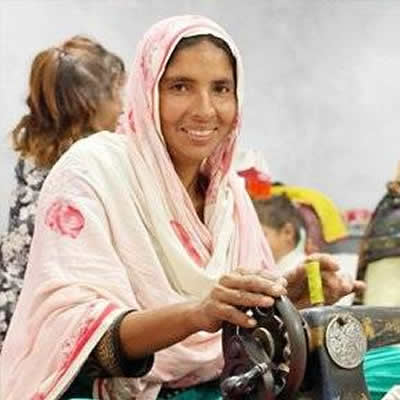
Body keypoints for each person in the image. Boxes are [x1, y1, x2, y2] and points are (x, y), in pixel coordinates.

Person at [0, 15, 363, 400]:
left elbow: (245, 336)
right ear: (146, 93)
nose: (205, 109)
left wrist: (285, 296)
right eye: (180, 87)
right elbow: (84, 341)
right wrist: (197, 314)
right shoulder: (92, 172)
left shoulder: (229, 197)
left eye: (221, 89)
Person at [0, 35, 126, 348]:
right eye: (117, 93)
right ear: (90, 106)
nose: (123, 106)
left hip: (12, 309)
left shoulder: (35, 156)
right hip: (37, 327)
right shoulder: (84, 170)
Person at [252, 194, 307, 271]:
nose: (253, 243)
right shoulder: (275, 269)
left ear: (288, 232)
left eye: (261, 236)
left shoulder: (300, 270)